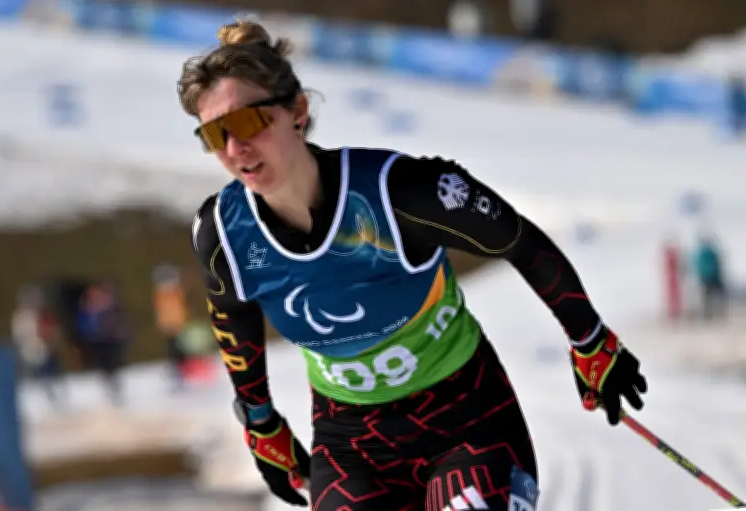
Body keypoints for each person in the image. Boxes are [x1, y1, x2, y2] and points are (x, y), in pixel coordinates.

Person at [181, 20, 648, 511]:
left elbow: (520, 242)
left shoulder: (398, 192)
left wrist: (589, 339)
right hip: (351, 444)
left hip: (466, 420)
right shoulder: (224, 234)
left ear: (297, 111)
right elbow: (232, 313)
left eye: (249, 122)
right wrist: (261, 424)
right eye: (214, 134)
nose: (235, 148)